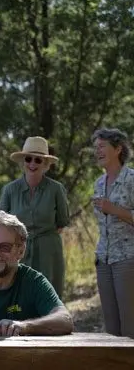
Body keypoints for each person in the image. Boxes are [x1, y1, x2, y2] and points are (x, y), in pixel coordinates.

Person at [0, 136, 70, 298]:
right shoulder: (10, 190)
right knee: (18, 296)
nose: (32, 164)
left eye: (38, 160)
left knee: (49, 296)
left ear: (45, 165)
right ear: (23, 162)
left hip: (49, 252)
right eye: (28, 159)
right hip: (17, 252)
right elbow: (1, 224)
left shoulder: (56, 189)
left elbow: (62, 222)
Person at [91, 128, 134, 337]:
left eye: (102, 146)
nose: (97, 151)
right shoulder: (98, 183)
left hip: (127, 259)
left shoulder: (132, 179)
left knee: (130, 324)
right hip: (103, 260)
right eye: (95, 147)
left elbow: (113, 212)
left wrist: (114, 209)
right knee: (111, 328)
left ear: (117, 149)